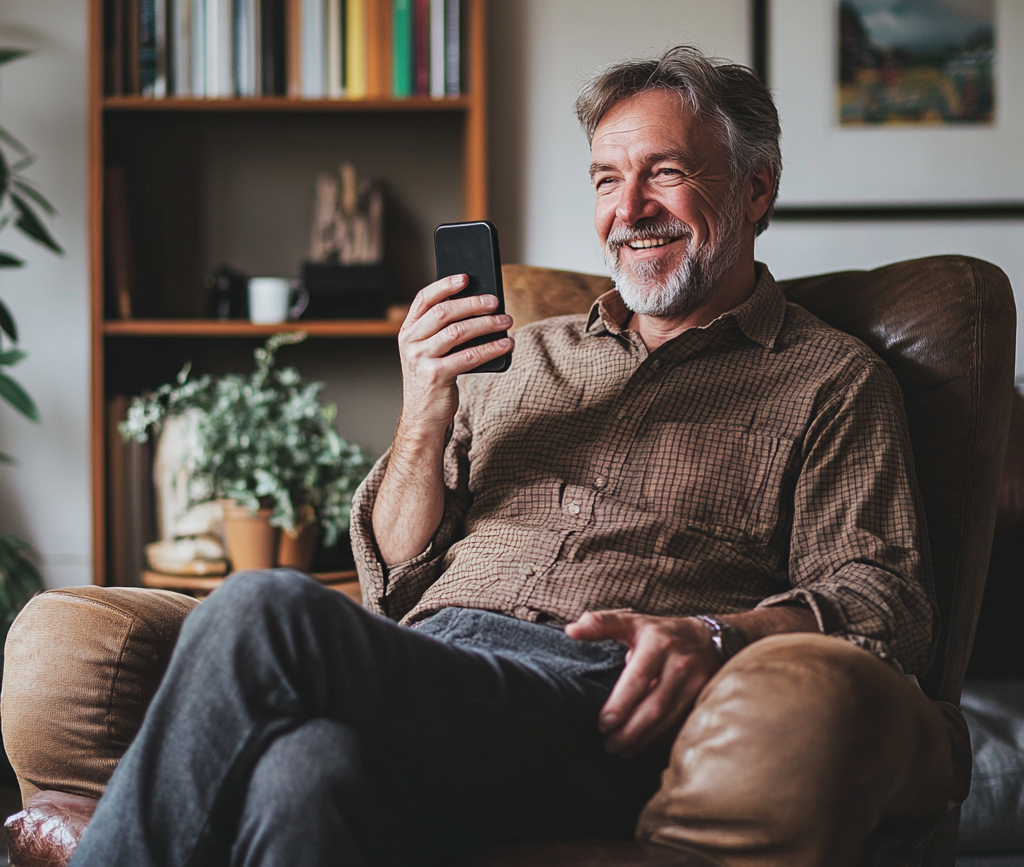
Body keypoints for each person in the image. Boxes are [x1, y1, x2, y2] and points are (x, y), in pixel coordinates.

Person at [69, 47, 966, 867]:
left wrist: (718, 637)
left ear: (757, 189)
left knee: (263, 606)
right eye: (607, 179)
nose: (630, 209)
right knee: (306, 774)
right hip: (439, 669)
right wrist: (424, 408)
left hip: (601, 694)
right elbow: (392, 577)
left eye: (667, 173)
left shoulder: (829, 379)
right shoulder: (524, 355)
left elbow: (885, 602)